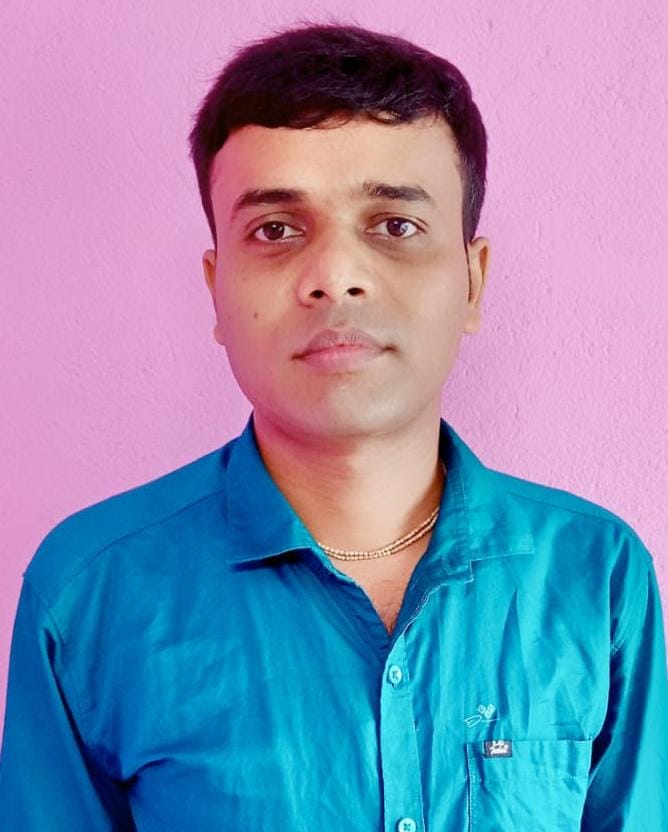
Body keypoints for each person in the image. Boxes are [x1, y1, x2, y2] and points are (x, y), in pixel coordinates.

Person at [0, 20, 666, 832]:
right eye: (276, 230)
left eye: (395, 225)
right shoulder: (89, 593)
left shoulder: (597, 577)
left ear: (472, 282)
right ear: (216, 289)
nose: (336, 276)